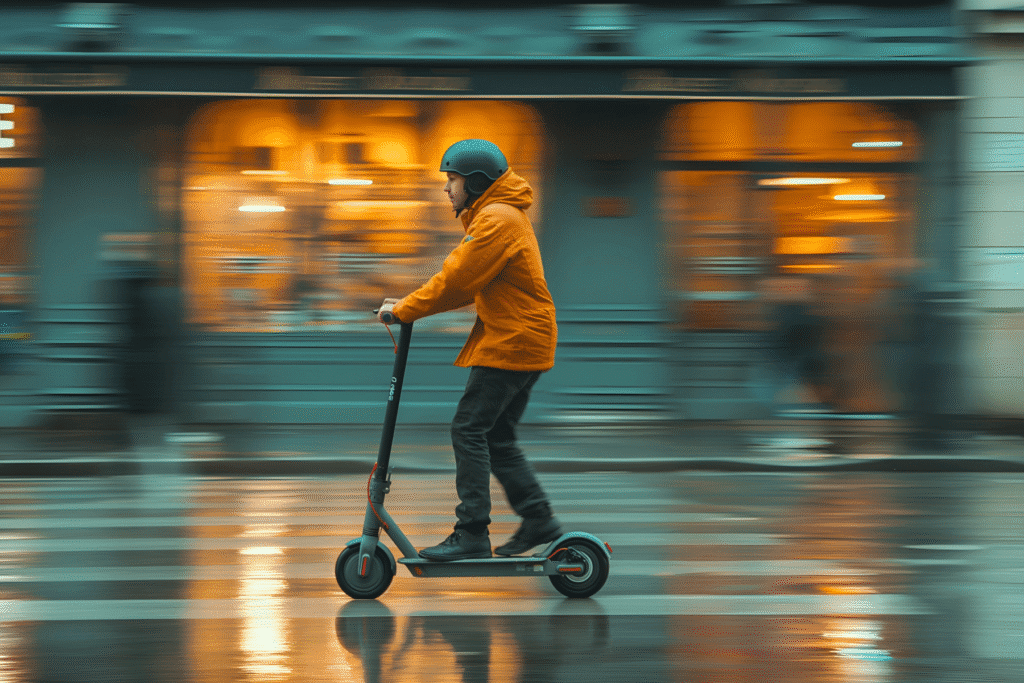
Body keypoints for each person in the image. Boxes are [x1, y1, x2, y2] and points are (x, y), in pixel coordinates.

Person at [377, 139, 561, 561]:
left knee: (468, 428)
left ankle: (472, 530)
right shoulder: (495, 215)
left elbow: (458, 280)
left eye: (453, 179)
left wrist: (405, 309)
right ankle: (538, 519)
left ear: (476, 182)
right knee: (495, 435)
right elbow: (465, 280)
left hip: (514, 340)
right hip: (519, 337)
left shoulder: (496, 220)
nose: (447, 188)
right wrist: (407, 307)